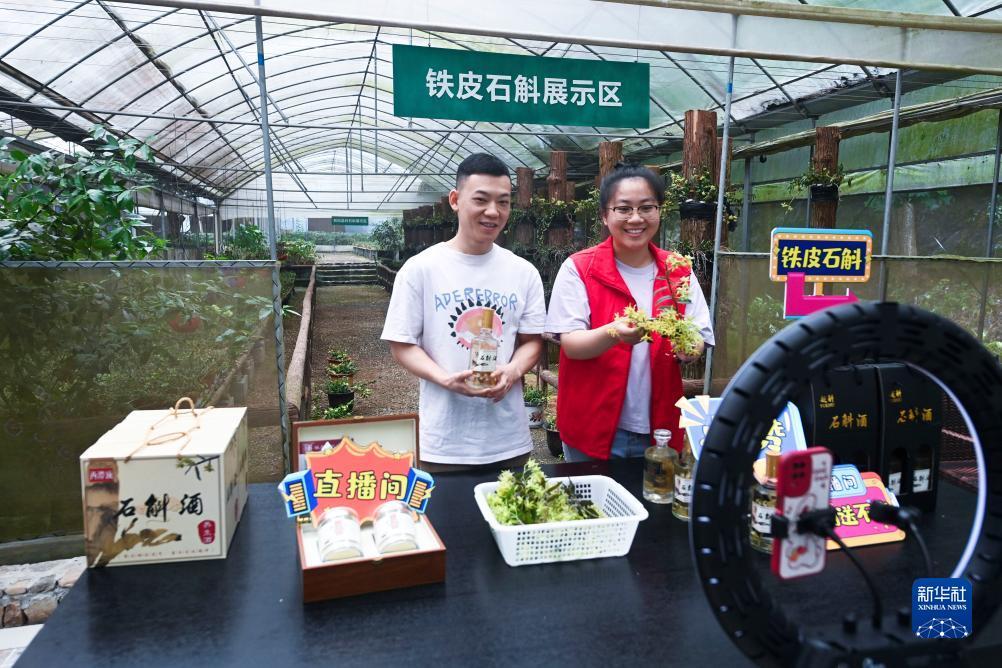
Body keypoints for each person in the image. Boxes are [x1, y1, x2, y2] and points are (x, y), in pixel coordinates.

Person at [381, 153, 545, 472]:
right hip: (442, 445)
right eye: (481, 200)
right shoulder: (420, 269)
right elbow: (401, 343)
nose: (493, 212)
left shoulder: (524, 272)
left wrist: (511, 372)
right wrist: (445, 379)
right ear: (455, 200)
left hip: (508, 442)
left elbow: (533, 342)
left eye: (504, 202)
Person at [545, 163, 715, 461]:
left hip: (658, 429)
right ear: (605, 215)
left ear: (659, 211)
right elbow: (572, 345)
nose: (635, 218)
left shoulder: (678, 270)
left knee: (654, 504)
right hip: (592, 426)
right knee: (592, 505)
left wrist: (688, 348)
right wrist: (614, 333)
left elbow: (698, 335)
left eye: (646, 207)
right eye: (623, 209)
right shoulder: (580, 269)